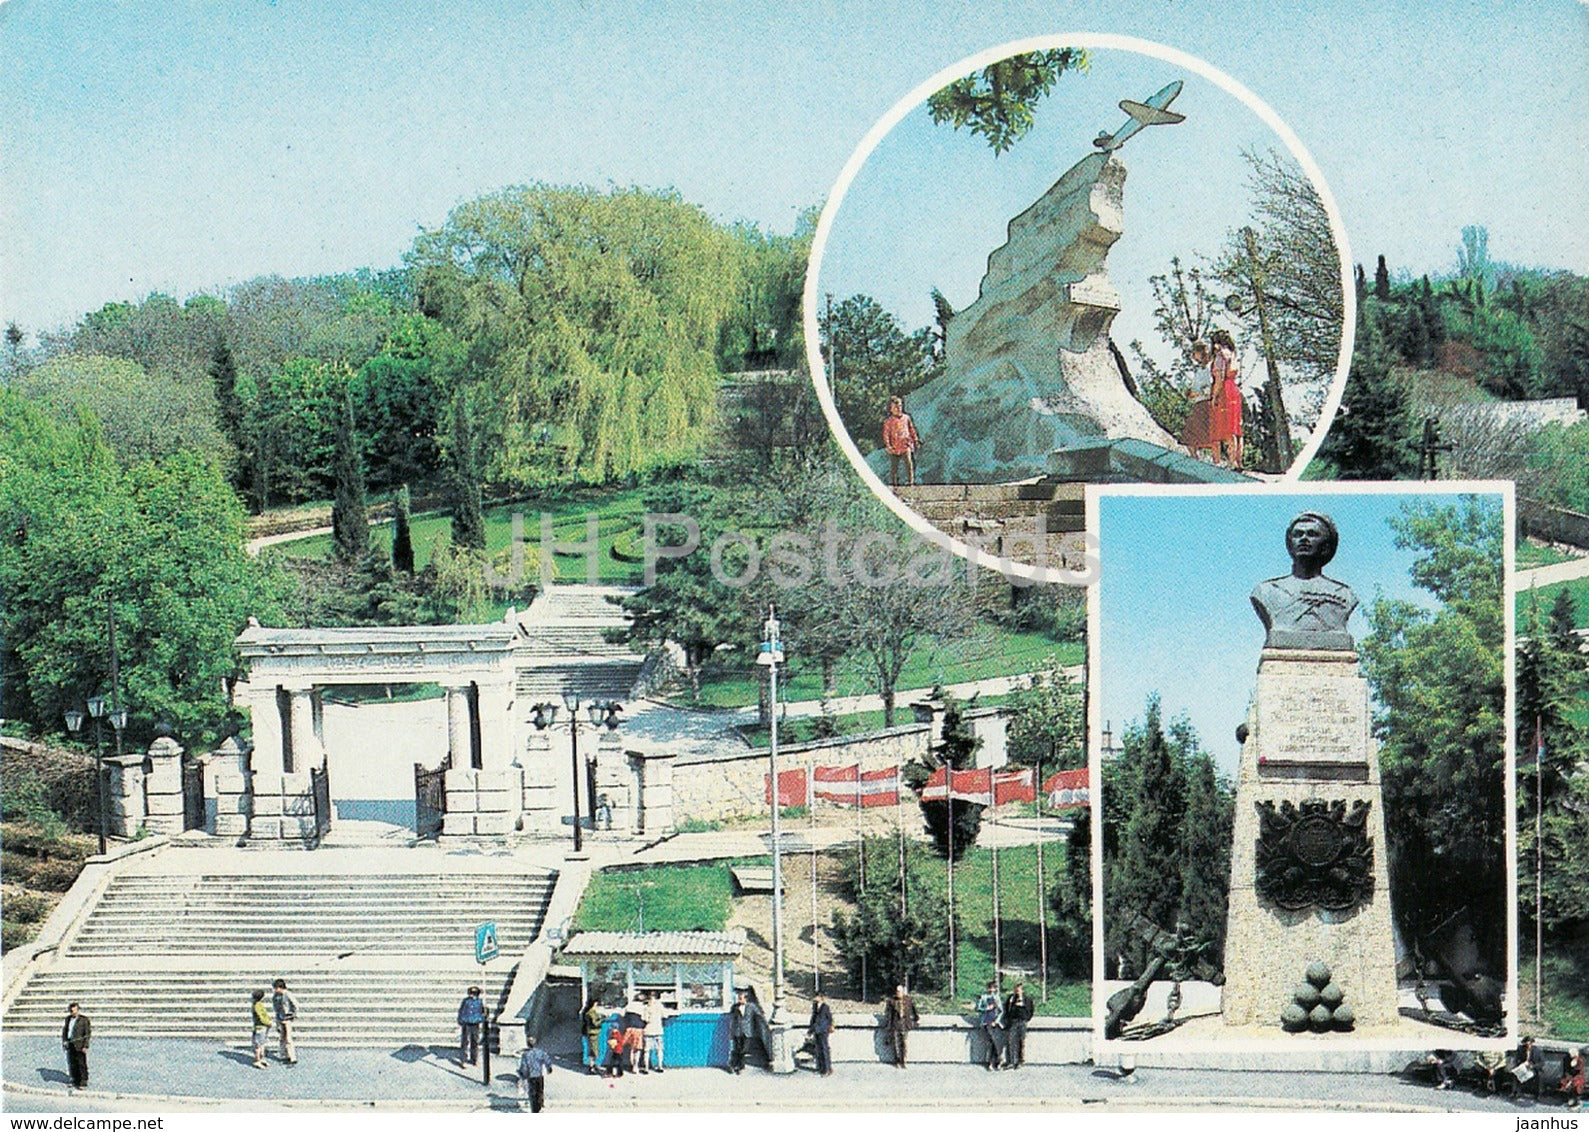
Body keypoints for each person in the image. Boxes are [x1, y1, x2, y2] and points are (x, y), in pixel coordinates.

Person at [1206, 328, 1243, 470]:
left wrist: (1214, 396)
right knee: (1236, 427)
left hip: (1224, 391)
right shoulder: (1233, 354)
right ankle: (1238, 461)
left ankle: (1230, 462)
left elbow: (1219, 378)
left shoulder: (1220, 356)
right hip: (1234, 389)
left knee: (1226, 427)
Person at [881, 396, 921, 489]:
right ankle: (894, 484)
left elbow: (911, 429)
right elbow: (886, 434)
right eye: (895, 407)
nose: (898, 409)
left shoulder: (906, 418)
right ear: (891, 409)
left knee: (909, 463)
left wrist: (915, 440)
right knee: (894, 467)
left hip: (905, 444)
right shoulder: (889, 421)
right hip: (894, 447)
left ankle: (911, 482)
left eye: (900, 406)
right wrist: (888, 445)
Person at [727, 989, 763, 1074]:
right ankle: (736, 1066)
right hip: (737, 1031)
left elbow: (759, 1015)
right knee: (736, 1049)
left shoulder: (751, 1006)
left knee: (744, 1050)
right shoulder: (735, 1007)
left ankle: (737, 1065)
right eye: (739, 998)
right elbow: (732, 1019)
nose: (739, 999)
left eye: (741, 998)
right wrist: (731, 1031)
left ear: (746, 998)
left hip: (747, 1031)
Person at [883, 985, 919, 1069]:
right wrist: (888, 1025)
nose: (898, 993)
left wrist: (916, 1019)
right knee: (895, 1044)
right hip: (895, 1025)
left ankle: (903, 1060)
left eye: (900, 992)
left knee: (904, 1044)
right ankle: (896, 1060)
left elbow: (914, 1010)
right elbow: (888, 1015)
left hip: (904, 1025)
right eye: (897, 991)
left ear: (903, 992)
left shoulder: (908, 1000)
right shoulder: (891, 1001)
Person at [517, 1034, 554, 1112]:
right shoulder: (540, 1052)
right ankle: (540, 1106)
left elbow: (524, 1066)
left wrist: (522, 1074)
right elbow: (547, 1060)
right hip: (539, 1075)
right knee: (540, 1091)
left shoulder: (526, 1055)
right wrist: (549, 1068)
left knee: (532, 1093)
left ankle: (534, 1109)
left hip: (531, 1076)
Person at [1003, 983, 1034, 1069]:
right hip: (1013, 1022)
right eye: (1016, 989)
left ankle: (1020, 1061)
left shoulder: (1027, 999)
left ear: (1022, 990)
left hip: (1022, 1022)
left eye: (1019, 989)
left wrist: (1027, 1018)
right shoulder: (1011, 999)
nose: (1017, 991)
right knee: (1011, 1041)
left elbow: (1031, 1010)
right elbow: (1006, 1009)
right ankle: (1011, 1061)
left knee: (1021, 1042)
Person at [61, 1002, 91, 1089]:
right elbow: (65, 1031)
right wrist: (64, 1041)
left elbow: (87, 1033)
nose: (73, 1012)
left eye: (74, 1010)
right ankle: (74, 1079)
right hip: (70, 1043)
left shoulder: (84, 1020)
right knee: (72, 1063)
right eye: (71, 1011)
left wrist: (86, 1046)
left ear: (78, 1010)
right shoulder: (68, 1019)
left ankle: (83, 1081)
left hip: (80, 1044)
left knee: (81, 1063)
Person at [974, 979, 1003, 1070]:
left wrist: (997, 1021)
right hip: (986, 1021)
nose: (991, 990)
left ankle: (992, 1061)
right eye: (989, 988)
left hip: (994, 1021)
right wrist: (986, 1008)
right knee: (992, 1040)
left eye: (993, 988)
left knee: (993, 1041)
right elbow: (977, 1008)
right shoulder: (984, 997)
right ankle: (997, 1060)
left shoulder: (997, 998)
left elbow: (1001, 1011)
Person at [271, 978, 298, 1065]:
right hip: (280, 1018)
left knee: (288, 1038)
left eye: (276, 988)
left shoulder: (288, 994)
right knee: (282, 1038)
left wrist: (293, 1014)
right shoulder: (275, 996)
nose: (275, 990)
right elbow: (275, 1008)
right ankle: (284, 1055)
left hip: (287, 1018)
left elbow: (295, 1004)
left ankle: (292, 1057)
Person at [457, 985, 485, 1066]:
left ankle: (474, 1059)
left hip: (475, 1023)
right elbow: (461, 1011)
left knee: (475, 1041)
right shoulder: (466, 1001)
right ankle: (463, 1059)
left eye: (473, 994)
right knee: (465, 1041)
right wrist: (461, 1020)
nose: (471, 995)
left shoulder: (479, 1002)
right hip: (467, 1022)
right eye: (470, 994)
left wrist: (482, 1017)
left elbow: (482, 1011)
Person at [1508, 1035, 1544, 1099]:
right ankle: (1515, 1092)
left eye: (1529, 1044)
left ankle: (1539, 1094)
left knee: (1539, 1075)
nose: (1528, 1046)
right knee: (1515, 1074)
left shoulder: (1537, 1050)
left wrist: (1533, 1066)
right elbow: (1517, 1059)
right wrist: (1519, 1065)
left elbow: (1542, 1063)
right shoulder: (1521, 1049)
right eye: (1526, 1044)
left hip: (1533, 1068)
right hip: (1523, 1067)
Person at [643, 990, 669, 1073]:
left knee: (647, 1050)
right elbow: (665, 1015)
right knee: (659, 1049)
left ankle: (646, 1068)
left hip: (648, 1030)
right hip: (658, 1029)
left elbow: (645, 1019)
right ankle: (660, 1066)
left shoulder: (646, 1007)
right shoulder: (660, 1006)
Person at [808, 992, 833, 1077]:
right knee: (819, 1050)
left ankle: (827, 1069)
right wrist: (811, 1029)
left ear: (821, 997)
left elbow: (829, 1019)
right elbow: (813, 1018)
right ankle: (821, 1068)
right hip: (817, 1030)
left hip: (823, 1031)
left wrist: (827, 1028)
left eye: (816, 997)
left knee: (824, 1050)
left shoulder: (825, 1007)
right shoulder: (815, 1006)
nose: (815, 998)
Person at [622, 993, 648, 1074]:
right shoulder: (643, 1007)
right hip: (638, 1029)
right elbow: (645, 1018)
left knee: (631, 1049)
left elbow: (623, 1015)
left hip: (629, 1028)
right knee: (637, 1049)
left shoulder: (629, 1006)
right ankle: (635, 1066)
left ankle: (632, 1065)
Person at [581, 996, 606, 1075]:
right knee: (594, 1051)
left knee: (594, 1050)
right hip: (593, 1032)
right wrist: (602, 1019)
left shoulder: (589, 1012)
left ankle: (593, 1065)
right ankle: (592, 1067)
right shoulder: (591, 1013)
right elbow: (595, 1023)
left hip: (592, 1032)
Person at [250, 989, 272, 1069]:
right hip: (261, 1027)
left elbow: (262, 1016)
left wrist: (267, 1022)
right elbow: (262, 1016)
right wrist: (268, 1022)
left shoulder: (256, 1005)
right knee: (259, 1045)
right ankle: (258, 1060)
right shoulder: (258, 1005)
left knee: (260, 1044)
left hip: (260, 1027)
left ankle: (260, 1059)